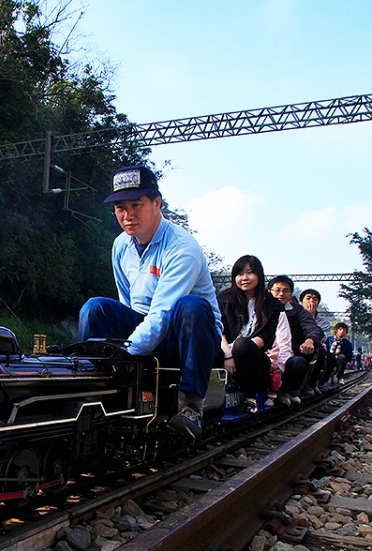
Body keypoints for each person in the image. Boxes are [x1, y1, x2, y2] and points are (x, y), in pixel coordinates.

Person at [78, 165, 222, 440]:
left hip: (188, 337)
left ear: (157, 203)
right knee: (95, 307)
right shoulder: (121, 245)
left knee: (191, 305)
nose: (128, 215)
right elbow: (126, 302)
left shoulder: (182, 248)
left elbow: (164, 312)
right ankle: (91, 384)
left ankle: (191, 406)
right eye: (120, 207)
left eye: (137, 205)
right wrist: (118, 349)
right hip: (146, 326)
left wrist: (126, 351)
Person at [217, 255, 288, 411]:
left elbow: (265, 337)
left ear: (259, 275)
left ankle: (250, 397)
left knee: (243, 345)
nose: (244, 278)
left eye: (250, 273)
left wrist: (237, 349)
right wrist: (228, 355)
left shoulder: (271, 304)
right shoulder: (224, 299)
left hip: (254, 357)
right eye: (240, 274)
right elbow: (218, 329)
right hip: (225, 350)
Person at [266, 275, 323, 405]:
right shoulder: (261, 308)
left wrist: (310, 340)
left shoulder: (298, 311)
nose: (281, 294)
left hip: (291, 352)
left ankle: (290, 390)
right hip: (268, 352)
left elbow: (313, 328)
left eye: (286, 291)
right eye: (277, 290)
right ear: (269, 291)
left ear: (291, 294)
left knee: (300, 360)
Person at [298, 288, 332, 394]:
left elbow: (321, 338)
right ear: (301, 302)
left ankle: (311, 383)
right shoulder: (294, 315)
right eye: (308, 298)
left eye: (315, 299)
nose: (311, 301)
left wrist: (310, 318)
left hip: (314, 346)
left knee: (321, 351)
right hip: (296, 344)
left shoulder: (324, 322)